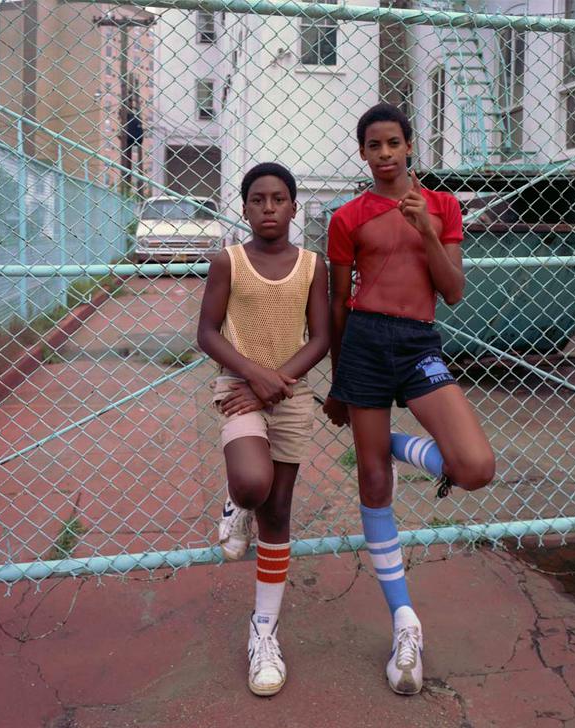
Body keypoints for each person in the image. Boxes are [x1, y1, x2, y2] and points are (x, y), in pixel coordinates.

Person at [323, 103, 496, 695]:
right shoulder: (347, 217)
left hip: (419, 342)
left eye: (395, 143)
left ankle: (391, 445)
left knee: (475, 467)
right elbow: (339, 305)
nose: (386, 154)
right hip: (366, 344)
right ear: (364, 153)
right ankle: (404, 620)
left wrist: (426, 227)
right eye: (374, 146)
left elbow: (453, 292)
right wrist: (337, 379)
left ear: (411, 145)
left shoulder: (443, 207)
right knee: (372, 481)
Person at [197, 162, 329, 696]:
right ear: (245, 207)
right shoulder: (228, 262)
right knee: (254, 485)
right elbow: (206, 332)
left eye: (278, 199)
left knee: (278, 510)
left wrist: (276, 382)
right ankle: (234, 503)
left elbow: (320, 337)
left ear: (294, 207)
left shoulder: (312, 265)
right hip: (239, 390)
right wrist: (253, 377)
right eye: (257, 199)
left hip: (291, 395)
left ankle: (263, 633)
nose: (268, 207)